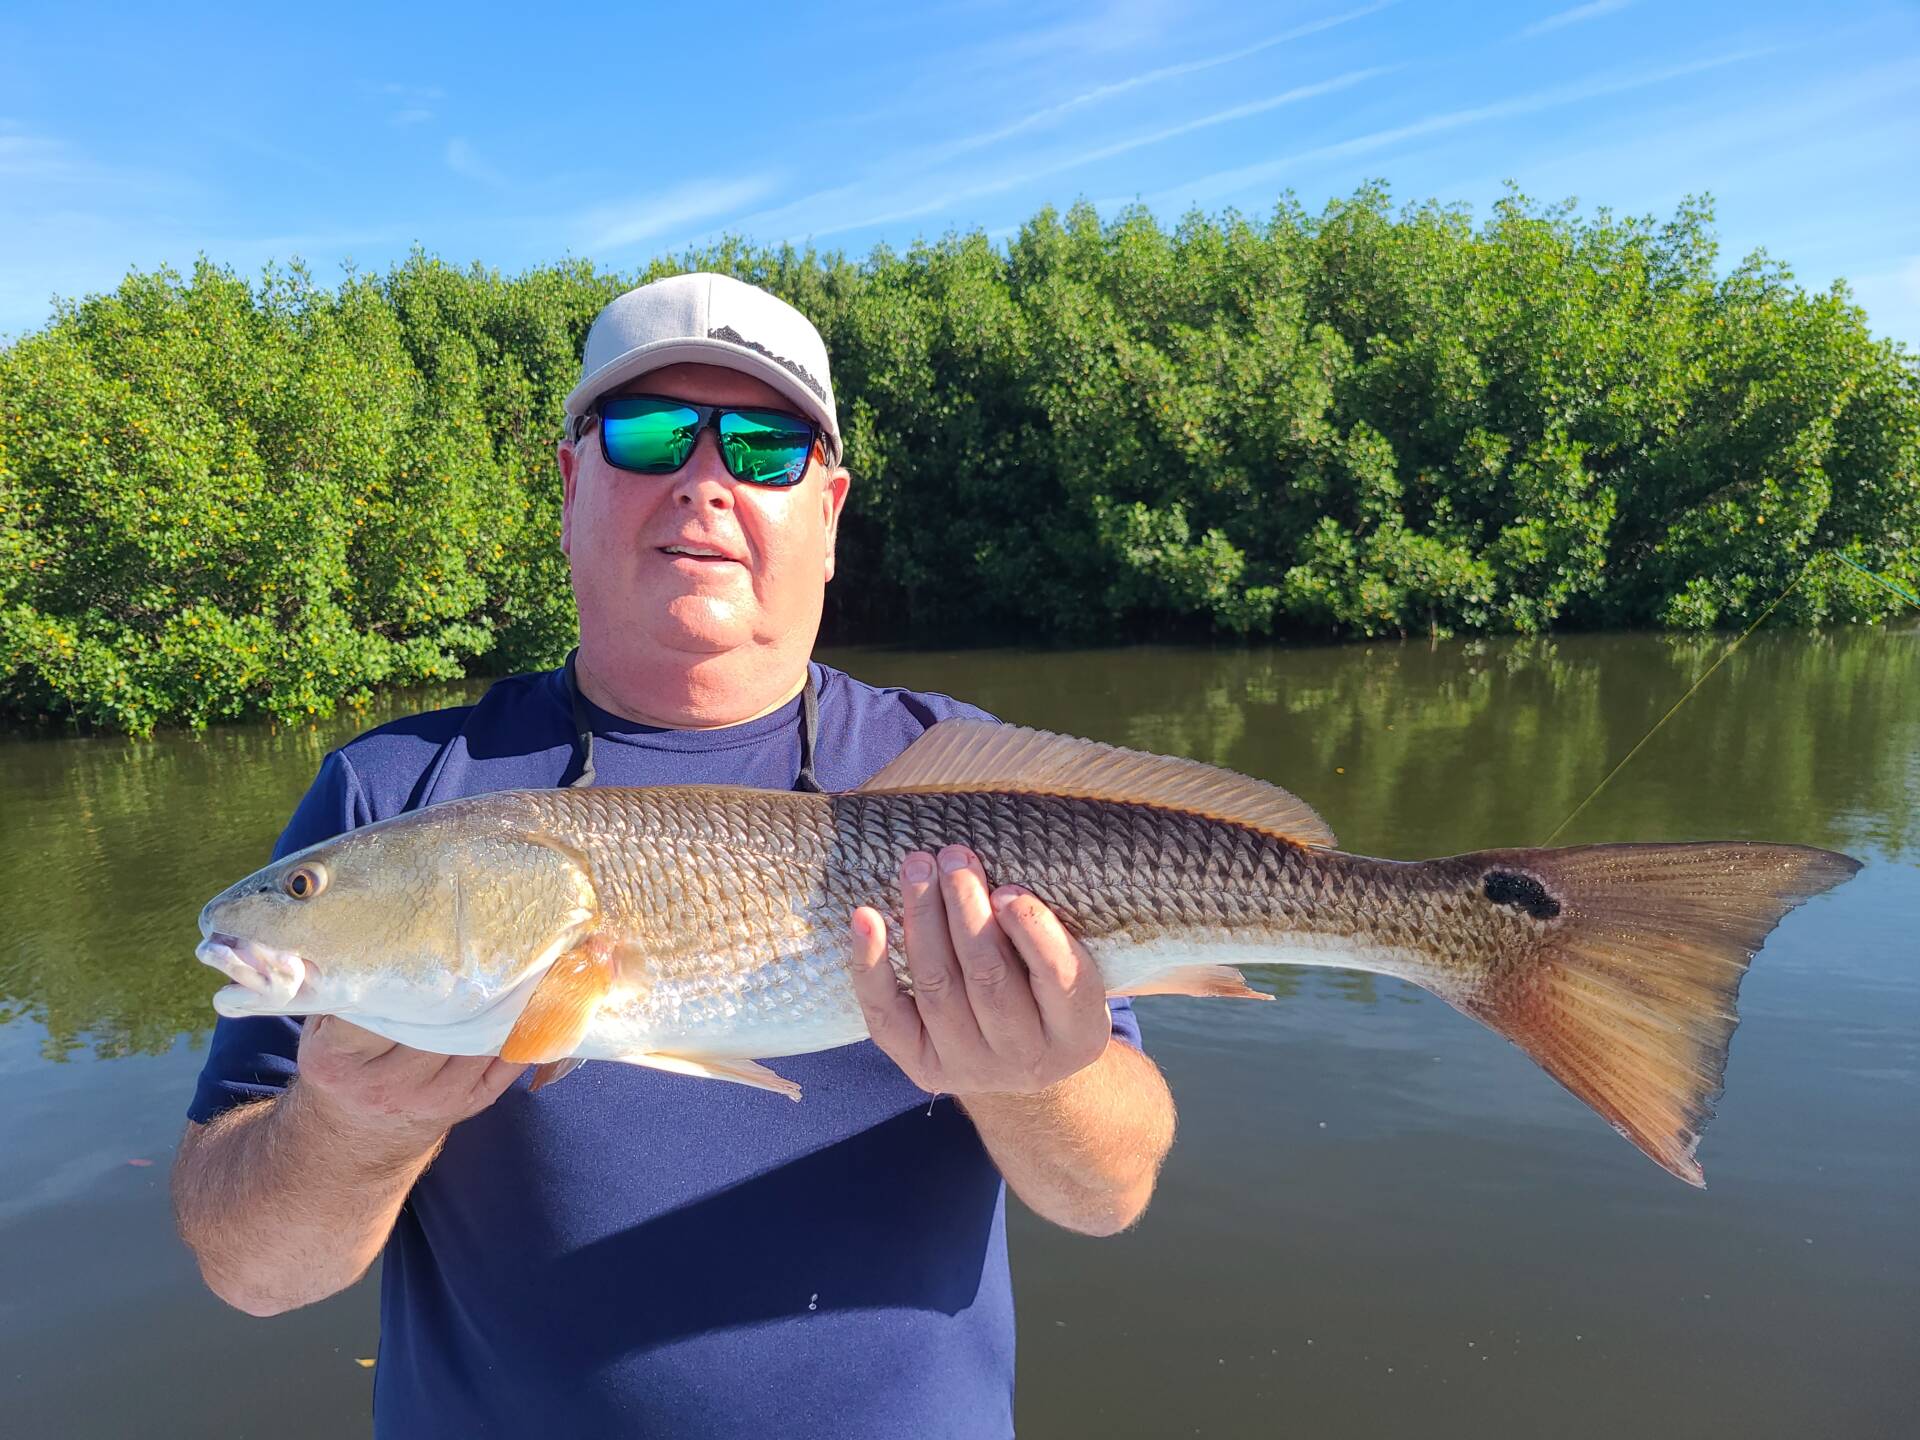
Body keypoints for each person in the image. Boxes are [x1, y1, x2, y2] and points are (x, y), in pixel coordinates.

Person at [171, 272, 1177, 1438]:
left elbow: (1107, 1194)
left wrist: (1036, 1080)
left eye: (764, 446)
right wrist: (350, 1125)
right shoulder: (394, 794)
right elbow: (255, 1274)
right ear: (569, 480)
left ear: (830, 509)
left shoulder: (971, 780)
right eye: (650, 433)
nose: (705, 480)